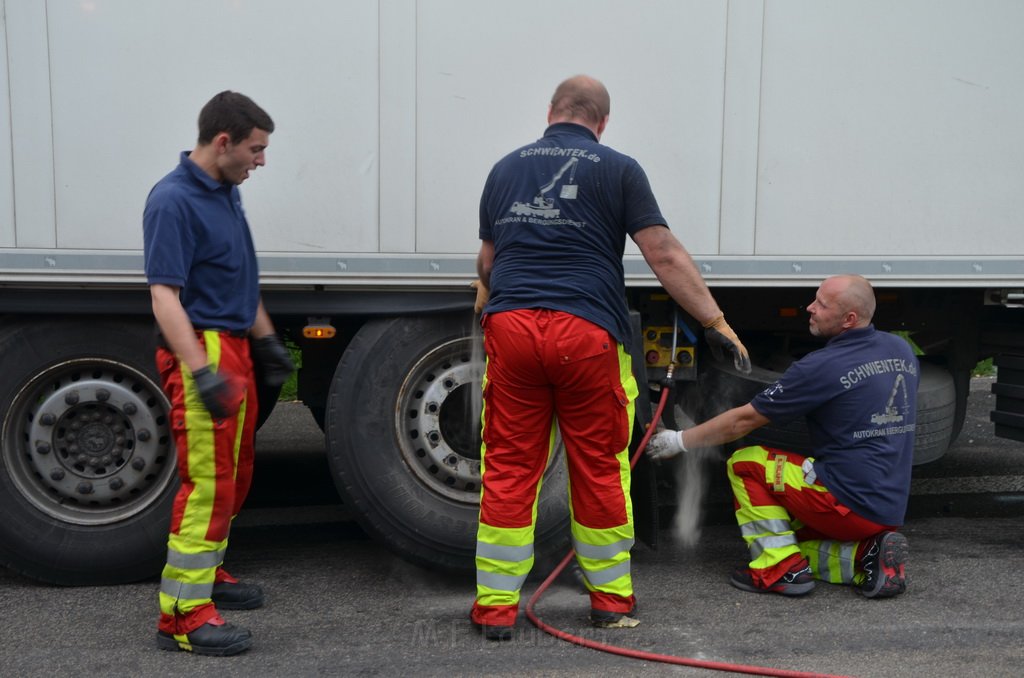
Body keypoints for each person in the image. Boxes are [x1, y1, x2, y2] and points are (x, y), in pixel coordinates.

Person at [470, 74, 751, 640]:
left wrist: (490, 319)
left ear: (551, 111)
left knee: (508, 467)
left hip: (513, 329)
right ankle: (611, 601)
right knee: (598, 466)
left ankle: (496, 607)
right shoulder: (619, 168)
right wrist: (715, 321)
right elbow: (663, 255)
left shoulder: (504, 169)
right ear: (601, 122)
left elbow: (487, 262)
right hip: (585, 333)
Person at [648, 274, 916, 599]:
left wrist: (677, 441)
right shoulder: (900, 351)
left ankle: (779, 569)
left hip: (846, 507)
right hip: (887, 510)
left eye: (822, 304)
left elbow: (743, 421)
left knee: (746, 463)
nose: (810, 308)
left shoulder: (822, 366)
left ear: (849, 319)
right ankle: (866, 557)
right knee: (793, 539)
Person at [143, 91, 294, 656]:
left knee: (236, 471)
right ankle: (181, 616)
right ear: (224, 141)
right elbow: (164, 296)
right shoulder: (173, 200)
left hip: (233, 343)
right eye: (256, 149)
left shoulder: (226, 192)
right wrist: (201, 371)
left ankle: (210, 575)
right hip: (202, 349)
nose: (262, 161)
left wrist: (267, 340)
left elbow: (239, 279)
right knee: (207, 483)